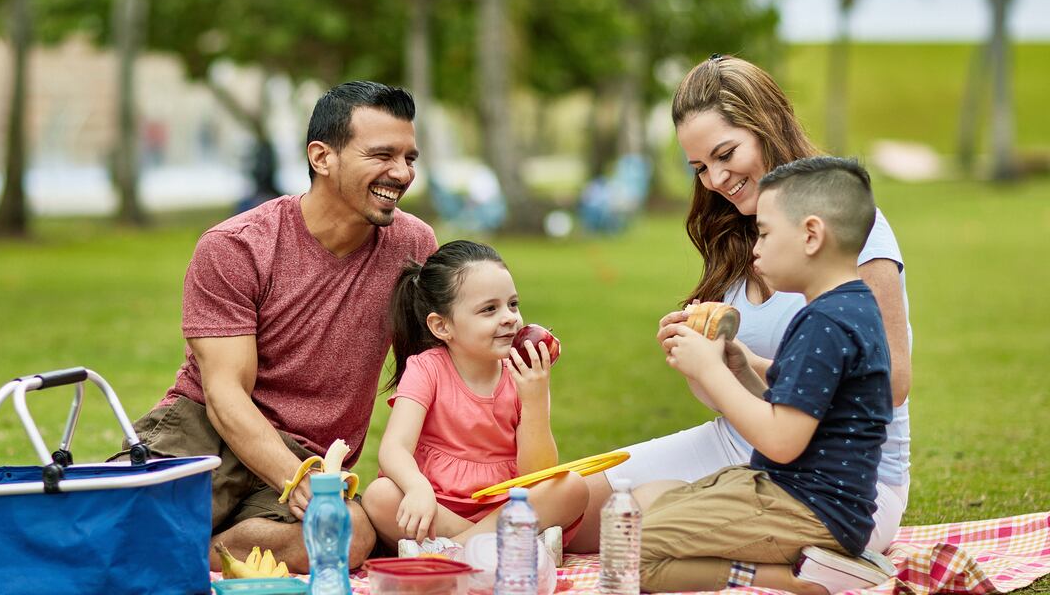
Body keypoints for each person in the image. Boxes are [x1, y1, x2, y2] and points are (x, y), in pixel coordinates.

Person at [0, 81, 438, 573]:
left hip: (314, 452)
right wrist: (304, 485)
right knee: (98, 518)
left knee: (352, 538)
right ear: (322, 156)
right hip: (205, 428)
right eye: (382, 154)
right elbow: (224, 395)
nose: (401, 172)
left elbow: (433, 370)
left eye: (410, 157)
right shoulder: (236, 247)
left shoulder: (413, 246)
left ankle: (132, 552)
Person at [569, 55, 913, 557]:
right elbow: (730, 397)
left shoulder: (847, 230)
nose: (715, 179)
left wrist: (731, 372)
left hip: (839, 484)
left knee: (634, 538)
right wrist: (703, 360)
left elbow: (893, 386)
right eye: (700, 167)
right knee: (567, 506)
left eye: (725, 153)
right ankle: (449, 550)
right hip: (741, 445)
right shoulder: (746, 235)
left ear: (767, 126)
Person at [638, 156, 895, 593]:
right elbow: (798, 413)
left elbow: (780, 441)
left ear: (811, 235)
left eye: (764, 233)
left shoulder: (825, 323)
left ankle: (801, 581)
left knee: (635, 551)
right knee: (650, 506)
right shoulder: (848, 307)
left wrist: (707, 369)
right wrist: (740, 365)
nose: (755, 248)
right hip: (811, 498)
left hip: (808, 507)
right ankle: (813, 567)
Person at [361, 240, 588, 564]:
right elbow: (394, 448)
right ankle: (510, 548)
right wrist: (416, 488)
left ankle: (455, 553)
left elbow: (537, 473)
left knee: (573, 488)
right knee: (380, 496)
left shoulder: (524, 374)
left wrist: (536, 401)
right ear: (443, 326)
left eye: (512, 304)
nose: (510, 318)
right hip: (437, 501)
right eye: (489, 309)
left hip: (505, 502)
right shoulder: (427, 368)